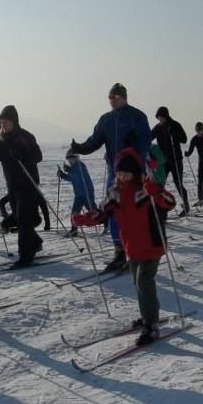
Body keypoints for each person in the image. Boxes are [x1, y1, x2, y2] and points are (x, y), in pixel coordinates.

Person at [71, 147, 176, 345]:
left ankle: (151, 325)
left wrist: (157, 190)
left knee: (144, 281)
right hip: (131, 246)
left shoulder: (146, 189)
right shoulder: (116, 193)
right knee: (138, 283)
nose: (122, 176)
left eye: (126, 172)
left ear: (135, 172)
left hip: (152, 244)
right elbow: (102, 213)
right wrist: (84, 219)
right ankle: (147, 316)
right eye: (119, 172)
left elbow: (169, 203)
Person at [70, 83, 151, 270]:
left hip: (134, 172)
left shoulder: (137, 116)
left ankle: (139, 247)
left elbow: (145, 141)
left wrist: (135, 155)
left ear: (123, 97)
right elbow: (95, 140)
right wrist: (80, 147)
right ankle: (119, 252)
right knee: (113, 209)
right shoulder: (105, 119)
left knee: (135, 209)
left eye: (114, 97)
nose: (111, 101)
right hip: (114, 171)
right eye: (109, 98)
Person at [0, 105, 44, 268]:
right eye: (1, 122)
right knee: (19, 219)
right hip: (12, 184)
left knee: (24, 220)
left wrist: (23, 154)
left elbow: (38, 156)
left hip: (28, 183)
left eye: (5, 122)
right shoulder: (0, 139)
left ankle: (25, 256)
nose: (3, 125)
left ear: (14, 121)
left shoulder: (24, 136)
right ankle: (36, 242)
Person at [151, 106, 190, 216]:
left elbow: (184, 139)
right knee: (160, 185)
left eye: (162, 117)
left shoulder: (174, 125)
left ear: (166, 116)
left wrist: (174, 135)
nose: (160, 119)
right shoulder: (157, 127)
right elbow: (149, 137)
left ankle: (186, 205)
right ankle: (162, 209)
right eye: (158, 117)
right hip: (163, 161)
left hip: (176, 159)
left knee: (178, 183)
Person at [56, 150, 96, 237]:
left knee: (93, 211)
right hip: (78, 194)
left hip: (87, 192)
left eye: (71, 158)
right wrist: (62, 175)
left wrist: (69, 169)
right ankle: (74, 230)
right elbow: (71, 178)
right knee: (74, 212)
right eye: (68, 158)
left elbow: (79, 173)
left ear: (76, 158)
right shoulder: (72, 167)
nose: (70, 160)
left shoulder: (80, 165)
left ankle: (107, 223)